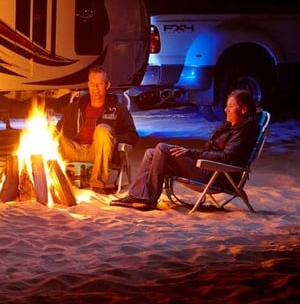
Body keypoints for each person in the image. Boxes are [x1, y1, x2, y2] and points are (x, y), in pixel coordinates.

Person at [110, 89, 259, 211]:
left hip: (217, 174)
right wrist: (192, 154)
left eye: (231, 106)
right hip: (207, 167)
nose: (226, 109)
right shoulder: (230, 127)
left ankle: (149, 199)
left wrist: (190, 153)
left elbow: (226, 158)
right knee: (151, 153)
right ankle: (137, 196)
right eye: (227, 105)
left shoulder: (244, 132)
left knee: (162, 148)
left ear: (244, 110)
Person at [55, 66, 139, 193]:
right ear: (88, 84)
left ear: (107, 85)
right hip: (73, 150)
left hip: (98, 152)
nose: (95, 88)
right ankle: (47, 179)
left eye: (99, 84)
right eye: (92, 84)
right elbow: (58, 131)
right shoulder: (75, 107)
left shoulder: (118, 109)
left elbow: (133, 136)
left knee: (102, 130)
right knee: (49, 130)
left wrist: (113, 138)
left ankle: (97, 184)